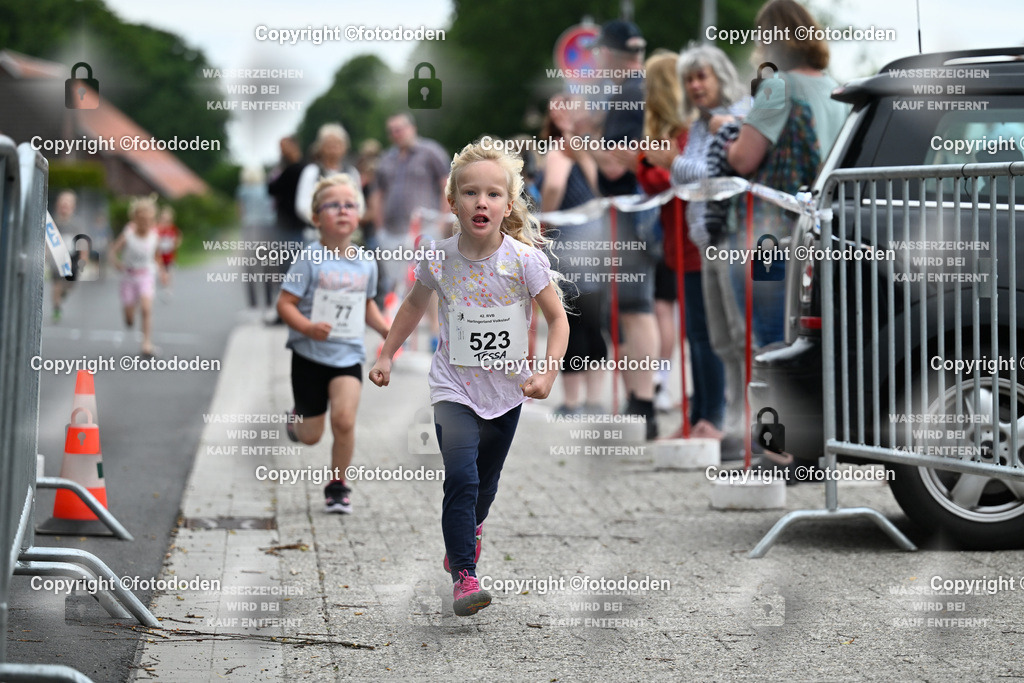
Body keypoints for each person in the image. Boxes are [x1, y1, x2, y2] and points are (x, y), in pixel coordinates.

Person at [368, 141, 569, 617]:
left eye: (494, 194)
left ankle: (469, 531)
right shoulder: (437, 257)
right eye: (471, 193)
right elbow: (415, 305)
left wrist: (547, 372)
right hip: (452, 388)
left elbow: (559, 321)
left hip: (507, 391)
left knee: (486, 481)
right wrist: (386, 354)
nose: (482, 202)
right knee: (460, 476)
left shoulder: (524, 260)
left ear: (507, 204)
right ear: (452, 200)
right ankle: (464, 575)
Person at [725, 0, 850, 346]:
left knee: (769, 333)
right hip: (819, 229)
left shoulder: (777, 87)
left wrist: (727, 143)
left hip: (771, 229)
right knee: (803, 334)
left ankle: (774, 401)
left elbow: (744, 159)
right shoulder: (835, 87)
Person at [647, 44, 748, 452]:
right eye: (689, 79)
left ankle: (724, 422)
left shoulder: (737, 114)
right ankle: (711, 419)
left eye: (702, 76)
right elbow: (689, 177)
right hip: (703, 239)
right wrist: (678, 168)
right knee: (711, 337)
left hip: (730, 239)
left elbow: (706, 172)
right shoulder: (703, 124)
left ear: (720, 76)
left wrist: (671, 163)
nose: (695, 85)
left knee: (733, 338)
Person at [277, 174, 390, 514]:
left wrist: (388, 331)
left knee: (343, 420)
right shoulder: (308, 259)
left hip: (347, 355)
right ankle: (298, 419)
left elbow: (366, 302)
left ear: (359, 215)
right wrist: (308, 328)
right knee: (310, 435)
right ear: (316, 218)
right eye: (333, 205)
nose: (343, 210)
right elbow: (284, 304)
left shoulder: (366, 262)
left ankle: (338, 485)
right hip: (309, 355)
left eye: (350, 204)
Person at [574, 19, 660, 438]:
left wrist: (581, 141)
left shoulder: (630, 92)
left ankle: (643, 404)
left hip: (633, 213)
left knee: (634, 307)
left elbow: (615, 162)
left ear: (607, 54)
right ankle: (639, 401)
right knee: (630, 309)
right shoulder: (638, 89)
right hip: (636, 212)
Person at [636, 51, 726, 438]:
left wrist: (655, 163)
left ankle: (711, 417)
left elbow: (669, 179)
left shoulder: (689, 132)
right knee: (697, 334)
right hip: (681, 244)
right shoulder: (677, 132)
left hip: (697, 243)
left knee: (707, 336)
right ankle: (698, 414)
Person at [539, 94, 609, 415]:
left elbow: (553, 186)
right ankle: (593, 400)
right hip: (596, 240)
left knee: (570, 321)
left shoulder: (557, 150)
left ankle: (571, 402)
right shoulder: (588, 149)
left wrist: (544, 222)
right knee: (593, 322)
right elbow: (600, 189)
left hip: (568, 243)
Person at [369, 113, 450, 300]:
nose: (396, 134)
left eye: (400, 129)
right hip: (392, 231)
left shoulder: (431, 152)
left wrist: (440, 222)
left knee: (428, 279)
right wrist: (379, 227)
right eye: (392, 131)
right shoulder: (386, 159)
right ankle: (404, 326)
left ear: (412, 128)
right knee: (397, 282)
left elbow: (446, 185)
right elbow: (377, 195)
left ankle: (432, 328)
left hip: (424, 229)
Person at [109, 195, 165, 357]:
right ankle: (129, 315)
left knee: (147, 309)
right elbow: (113, 250)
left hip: (146, 275)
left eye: (149, 220)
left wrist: (162, 272)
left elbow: (157, 256)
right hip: (128, 276)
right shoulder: (128, 234)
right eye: (141, 219)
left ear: (153, 219)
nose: (145, 223)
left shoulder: (155, 236)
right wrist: (116, 264)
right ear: (134, 219)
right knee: (129, 319)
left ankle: (146, 343)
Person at [295, 124, 361, 231]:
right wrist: (324, 223)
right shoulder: (311, 172)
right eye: (329, 144)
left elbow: (359, 204)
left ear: (345, 147)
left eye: (337, 143)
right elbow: (302, 206)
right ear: (320, 147)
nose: (333, 148)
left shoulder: (352, 172)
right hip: (317, 232)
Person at [49, 190, 86, 320]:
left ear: (73, 207)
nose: (64, 208)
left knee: (71, 282)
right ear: (57, 206)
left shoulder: (76, 224)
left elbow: (82, 242)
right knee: (57, 283)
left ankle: (64, 292)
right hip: (57, 256)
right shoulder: (53, 222)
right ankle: (56, 308)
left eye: (68, 205)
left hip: (72, 257)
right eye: (62, 205)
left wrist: (83, 258)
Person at [156, 206, 182, 292]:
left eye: (167, 219)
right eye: (163, 218)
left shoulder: (173, 228)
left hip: (170, 255)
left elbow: (178, 237)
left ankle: (167, 288)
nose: (165, 220)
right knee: (162, 273)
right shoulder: (157, 228)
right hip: (159, 255)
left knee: (169, 273)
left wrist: (176, 244)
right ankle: (163, 284)